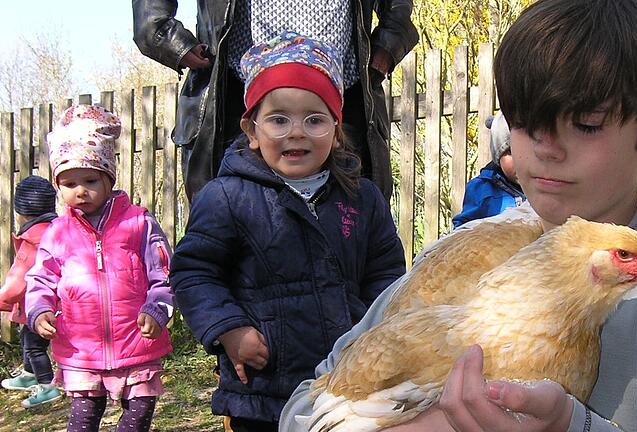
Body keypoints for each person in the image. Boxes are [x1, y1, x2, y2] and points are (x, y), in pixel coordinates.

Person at [279, 1, 637, 431]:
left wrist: (569, 428)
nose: (546, 149)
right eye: (526, 125)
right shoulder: (476, 248)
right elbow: (310, 401)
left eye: (585, 125)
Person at [170, 33, 406, 432]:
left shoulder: (361, 198)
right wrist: (229, 329)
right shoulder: (227, 196)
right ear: (251, 128)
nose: (296, 131)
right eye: (279, 119)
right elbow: (194, 273)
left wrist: (376, 331)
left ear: (335, 128)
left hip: (347, 387)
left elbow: (385, 274)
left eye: (314, 119)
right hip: (264, 392)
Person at [132, 0, 419, 202]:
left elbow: (380, 263)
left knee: (352, 221)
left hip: (344, 94)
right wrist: (162, 34)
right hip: (235, 93)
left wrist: (391, 41)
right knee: (233, 222)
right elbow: (203, 266)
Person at [24, 105, 175, 432]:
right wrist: (39, 310)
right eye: (68, 183)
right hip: (82, 349)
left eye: (90, 180)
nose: (80, 191)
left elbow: (163, 272)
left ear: (109, 178)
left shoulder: (138, 223)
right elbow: (40, 279)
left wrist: (158, 308)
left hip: (136, 342)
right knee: (83, 419)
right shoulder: (57, 233)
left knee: (137, 418)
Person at [0, 175, 61, 409]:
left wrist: (4, 298)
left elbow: (18, 280)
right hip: (49, 304)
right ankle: (28, 373)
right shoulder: (56, 231)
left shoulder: (33, 241)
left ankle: (47, 385)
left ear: (21, 212)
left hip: (36, 307)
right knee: (28, 340)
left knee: (35, 347)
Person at [452, 111, 526, 227]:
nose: (521, 160)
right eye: (510, 152)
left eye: (528, 151)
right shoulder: (481, 190)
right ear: (498, 156)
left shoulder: (548, 186)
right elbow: (464, 228)